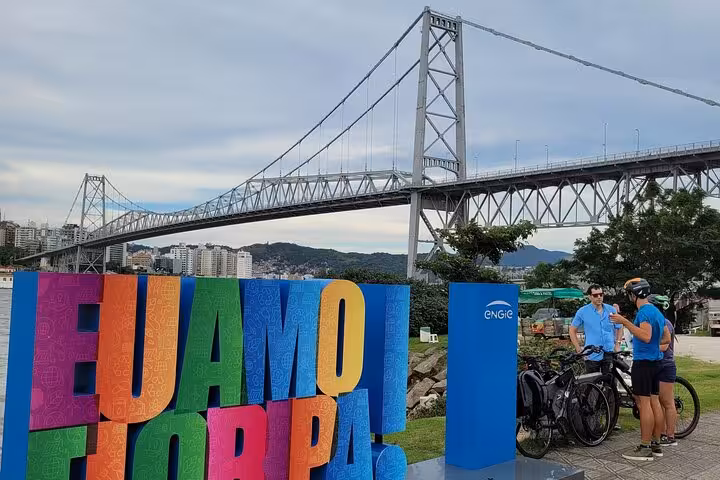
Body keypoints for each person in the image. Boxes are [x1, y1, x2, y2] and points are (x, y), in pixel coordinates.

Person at [610, 278, 671, 461]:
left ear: (634, 294)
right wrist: (653, 345)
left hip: (643, 363)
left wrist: (625, 322)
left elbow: (645, 336)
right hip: (656, 363)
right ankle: (656, 444)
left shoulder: (644, 312)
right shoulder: (657, 312)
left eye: (629, 293)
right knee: (655, 403)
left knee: (644, 404)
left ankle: (645, 447)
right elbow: (666, 338)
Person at [569, 284, 623, 374]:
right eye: (595, 295)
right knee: (592, 382)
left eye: (601, 294)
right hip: (592, 353)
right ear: (590, 297)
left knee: (610, 381)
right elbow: (572, 330)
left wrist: (618, 344)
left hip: (609, 351)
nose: (599, 297)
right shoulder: (582, 311)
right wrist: (579, 349)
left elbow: (620, 327)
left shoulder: (611, 310)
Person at [648, 294, 678, 447]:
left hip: (665, 365)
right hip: (656, 365)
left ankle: (670, 435)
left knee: (667, 402)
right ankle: (661, 432)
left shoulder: (665, 323)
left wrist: (646, 348)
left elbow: (664, 346)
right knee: (658, 401)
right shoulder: (656, 322)